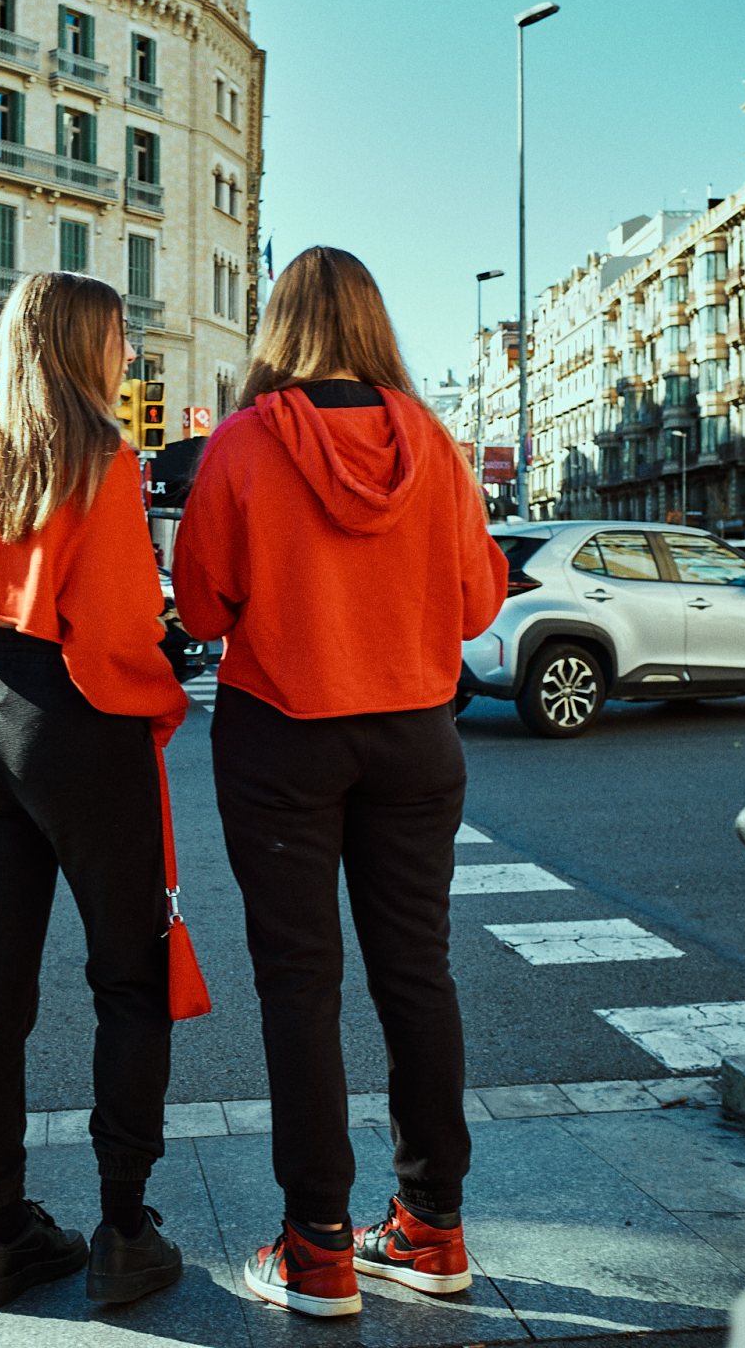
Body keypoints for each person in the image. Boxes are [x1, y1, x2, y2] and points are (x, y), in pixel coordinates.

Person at [172, 246, 508, 1319]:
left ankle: (317, 1246)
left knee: (298, 987)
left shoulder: (241, 444)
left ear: (279, 326)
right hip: (413, 736)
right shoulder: (435, 446)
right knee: (419, 975)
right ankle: (432, 1226)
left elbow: (205, 609)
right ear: (374, 324)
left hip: (284, 738)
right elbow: (474, 609)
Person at [0, 271, 188, 1311]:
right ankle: (125, 1232)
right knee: (128, 980)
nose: (129, 355)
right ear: (81, 344)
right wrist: (156, 706)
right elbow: (117, 635)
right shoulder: (101, 459)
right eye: (120, 337)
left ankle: (2, 1233)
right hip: (76, 715)